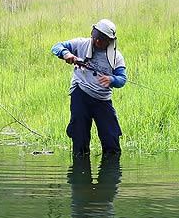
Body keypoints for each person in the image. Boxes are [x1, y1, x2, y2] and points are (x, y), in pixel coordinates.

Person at [52, 19, 127, 156]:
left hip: (102, 99)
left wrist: (112, 79)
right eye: (96, 37)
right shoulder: (81, 44)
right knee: (79, 136)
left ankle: (111, 170)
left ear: (110, 41)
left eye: (102, 40)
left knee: (111, 139)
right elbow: (56, 46)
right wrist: (66, 53)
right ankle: (80, 164)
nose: (98, 42)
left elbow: (122, 80)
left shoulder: (117, 57)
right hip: (81, 92)